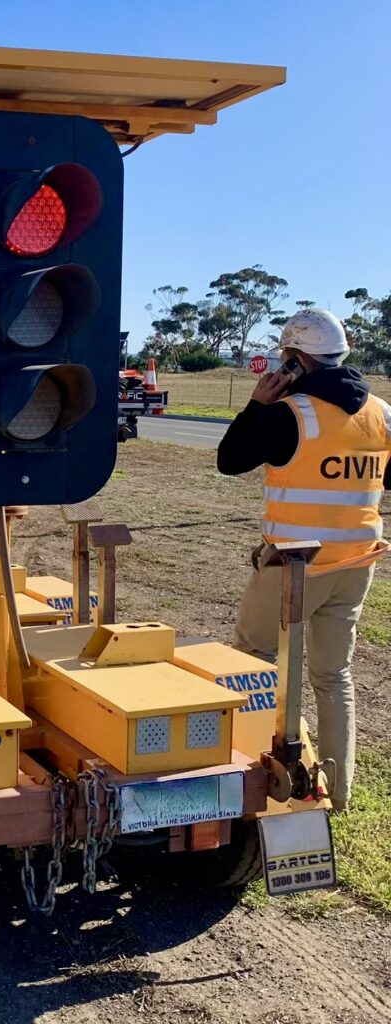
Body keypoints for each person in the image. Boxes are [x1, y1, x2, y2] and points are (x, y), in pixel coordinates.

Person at [217, 309, 391, 811]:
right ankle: (338, 792)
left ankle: (252, 781)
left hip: (293, 566)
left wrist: (256, 405)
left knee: (252, 660)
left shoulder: (289, 414)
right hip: (355, 565)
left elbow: (230, 460)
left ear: (294, 359)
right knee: (334, 676)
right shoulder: (381, 413)